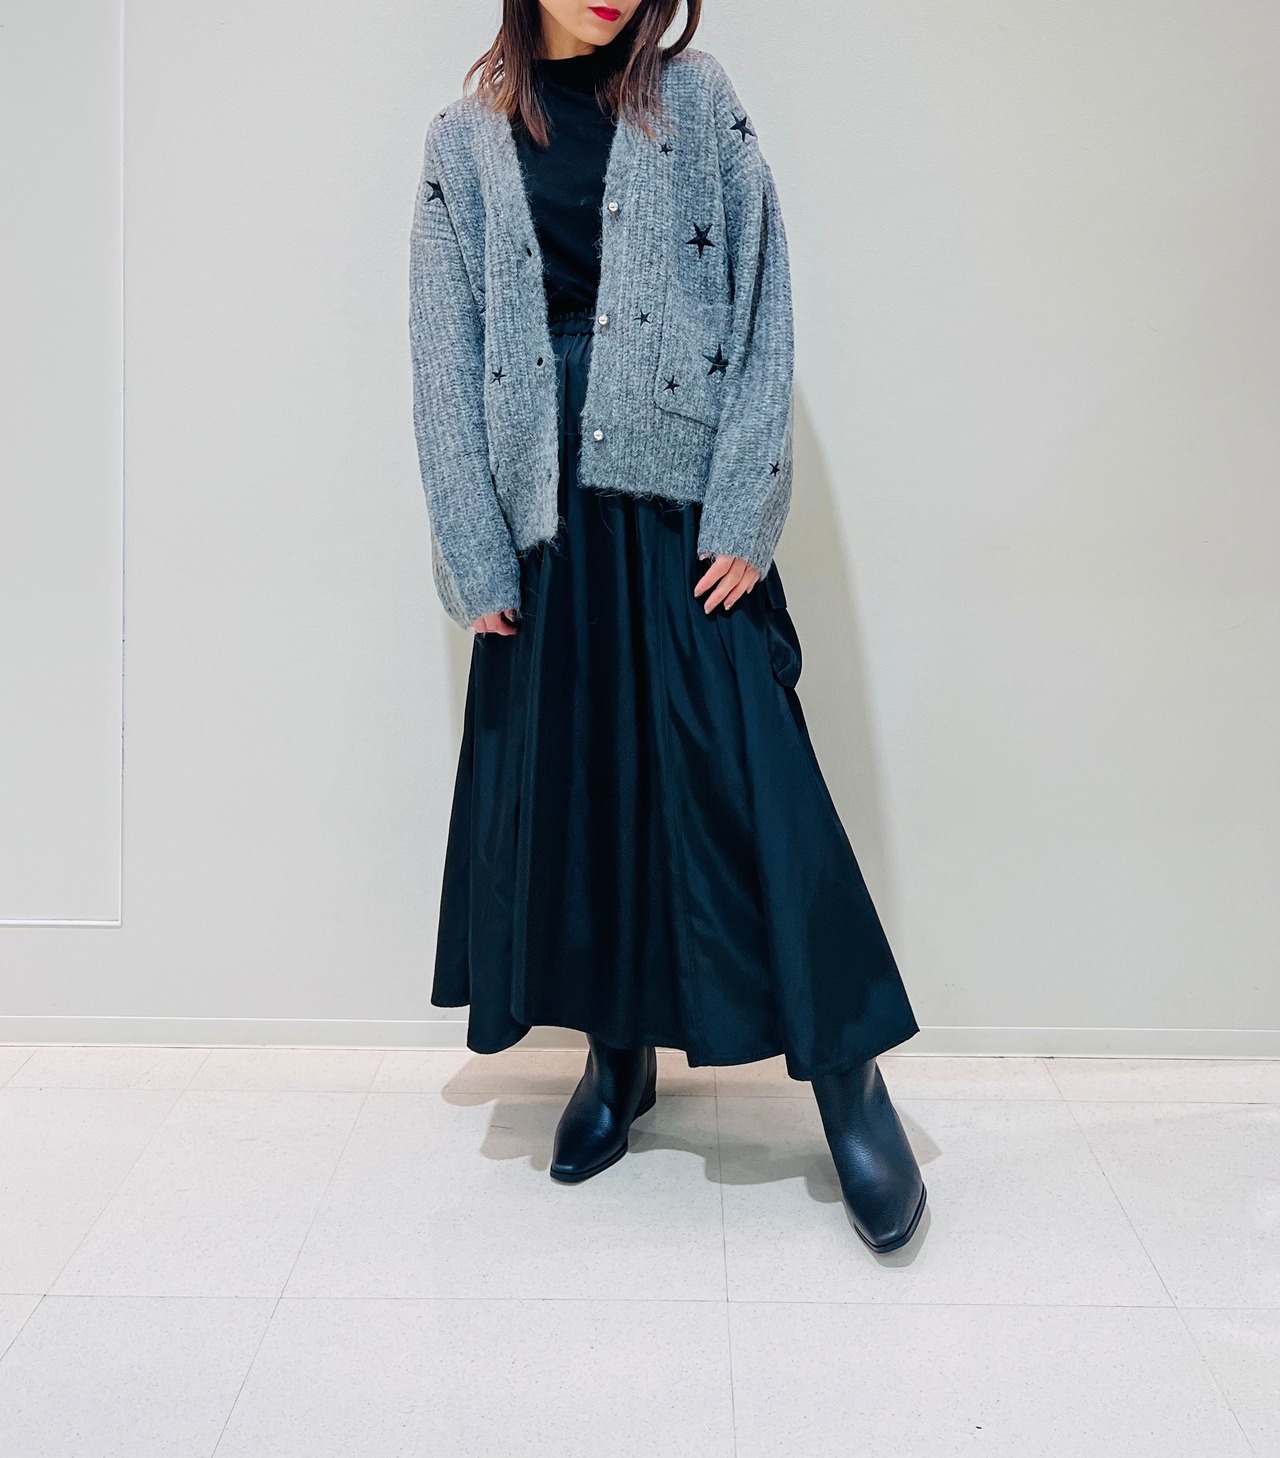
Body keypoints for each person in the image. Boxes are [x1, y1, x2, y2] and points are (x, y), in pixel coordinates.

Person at [409, 0, 927, 1253]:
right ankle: (616, 1057)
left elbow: (761, 297)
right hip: (541, 516)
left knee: (755, 787)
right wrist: (472, 543)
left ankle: (849, 1083)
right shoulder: (461, 141)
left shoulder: (695, 103)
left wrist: (745, 506)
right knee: (581, 786)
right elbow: (442, 350)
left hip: (679, 500)